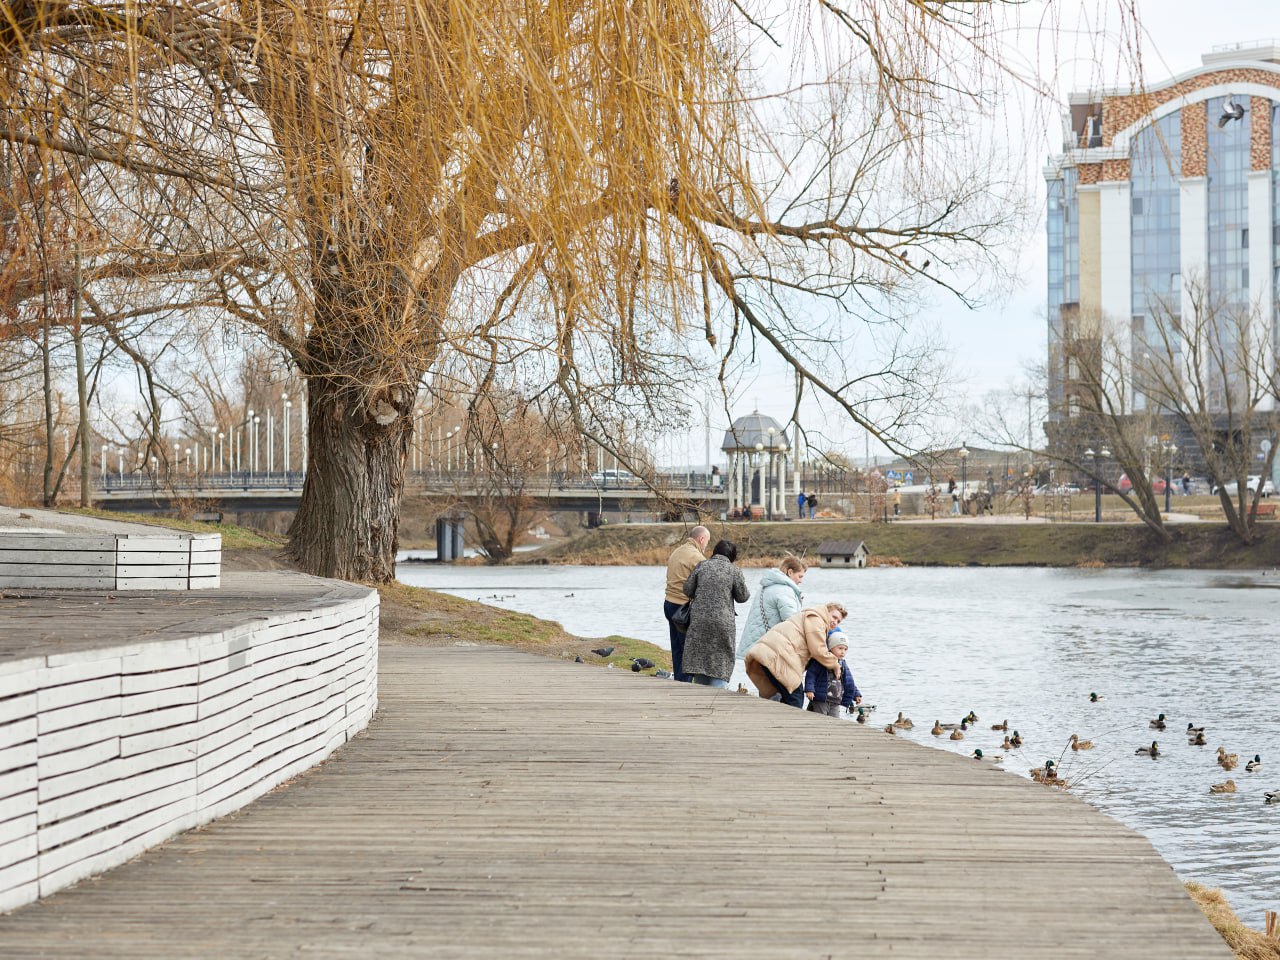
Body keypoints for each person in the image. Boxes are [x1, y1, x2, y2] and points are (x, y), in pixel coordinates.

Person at [744, 601, 847, 707]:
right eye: (834, 617)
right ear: (826, 611)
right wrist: (835, 664)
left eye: (838, 621)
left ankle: (778, 721)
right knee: (795, 698)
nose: (835, 622)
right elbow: (818, 650)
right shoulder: (817, 619)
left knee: (782, 697)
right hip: (778, 656)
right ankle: (788, 723)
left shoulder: (809, 616)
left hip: (770, 654)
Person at [681, 540, 750, 688]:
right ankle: (718, 693)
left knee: (700, 656)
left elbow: (687, 589)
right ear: (732, 555)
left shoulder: (702, 566)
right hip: (723, 622)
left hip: (699, 619)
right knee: (722, 658)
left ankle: (701, 692)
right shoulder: (734, 570)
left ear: (714, 552)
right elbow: (743, 597)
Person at [737, 555, 806, 658]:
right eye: (800, 576)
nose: (801, 581)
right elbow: (793, 623)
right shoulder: (785, 591)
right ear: (790, 572)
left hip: (755, 646)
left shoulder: (765, 587)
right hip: (770, 651)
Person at [664, 525, 709, 682]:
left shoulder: (677, 551)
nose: (706, 546)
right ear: (701, 539)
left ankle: (678, 679)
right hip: (682, 609)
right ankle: (684, 685)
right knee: (687, 651)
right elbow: (705, 585)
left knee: (676, 647)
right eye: (707, 542)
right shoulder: (697, 558)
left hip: (668, 604)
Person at [804, 628, 861, 718]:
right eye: (840, 648)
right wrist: (809, 689)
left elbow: (849, 681)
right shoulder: (821, 661)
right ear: (831, 647)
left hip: (836, 700)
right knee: (821, 718)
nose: (843, 652)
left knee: (834, 720)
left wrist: (856, 694)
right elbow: (811, 675)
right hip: (821, 698)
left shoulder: (843, 664)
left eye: (845, 649)